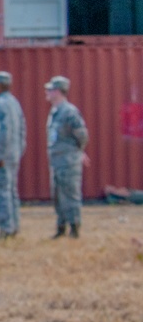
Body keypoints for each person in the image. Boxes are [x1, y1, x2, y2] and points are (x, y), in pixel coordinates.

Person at [44, 76, 89, 239]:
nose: (46, 92)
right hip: (57, 162)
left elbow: (82, 135)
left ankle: (74, 228)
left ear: (57, 91)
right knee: (57, 195)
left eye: (49, 90)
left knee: (70, 194)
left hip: (68, 161)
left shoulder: (69, 111)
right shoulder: (55, 112)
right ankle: (61, 226)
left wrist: (78, 152)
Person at [0, 70, 27, 239]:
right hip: (13, 155)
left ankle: (6, 228)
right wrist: (18, 151)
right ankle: (13, 225)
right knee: (11, 193)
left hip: (1, 158)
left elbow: (3, 131)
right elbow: (22, 130)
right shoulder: (15, 103)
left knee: (0, 194)